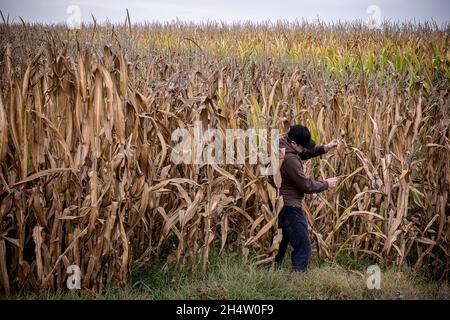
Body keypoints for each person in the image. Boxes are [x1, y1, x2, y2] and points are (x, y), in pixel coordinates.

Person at [272, 125, 339, 272]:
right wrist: (326, 183)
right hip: (289, 207)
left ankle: (271, 273)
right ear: (294, 144)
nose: (304, 149)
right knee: (303, 246)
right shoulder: (290, 160)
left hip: (278, 204)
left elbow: (302, 153)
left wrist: (325, 148)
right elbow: (306, 185)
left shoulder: (281, 146)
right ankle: (298, 278)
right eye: (303, 146)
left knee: (280, 243)